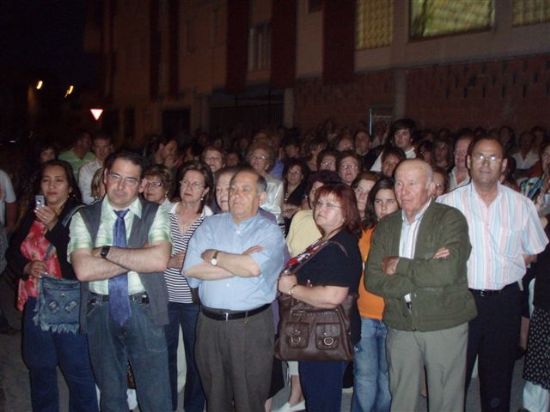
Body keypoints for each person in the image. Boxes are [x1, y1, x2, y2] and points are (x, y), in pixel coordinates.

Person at [438, 137, 549, 412]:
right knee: (452, 378)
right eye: (479, 157)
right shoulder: (447, 204)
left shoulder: (521, 205)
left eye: (493, 158)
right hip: (460, 300)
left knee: (498, 379)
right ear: (468, 161)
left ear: (504, 165)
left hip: (504, 302)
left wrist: (514, 259)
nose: (486, 163)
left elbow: (536, 249)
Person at [366, 159, 476, 412]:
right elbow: (373, 279)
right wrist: (424, 270)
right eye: (399, 183)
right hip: (400, 322)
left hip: (444, 321)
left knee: (445, 400)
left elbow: (447, 272)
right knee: (401, 397)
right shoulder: (386, 225)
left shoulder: (450, 219)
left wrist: (400, 265)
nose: (403, 191)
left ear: (431, 188)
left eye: (412, 184)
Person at [69, 150, 172, 411]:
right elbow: (83, 270)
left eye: (130, 180)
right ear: (105, 177)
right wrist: (138, 255)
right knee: (110, 393)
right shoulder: (84, 216)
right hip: (99, 308)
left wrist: (104, 251)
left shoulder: (155, 213)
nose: (121, 186)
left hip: (144, 308)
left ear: (140, 185)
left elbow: (159, 261)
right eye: (116, 176)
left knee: (156, 393)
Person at [182, 167, 286, 411]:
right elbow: (192, 269)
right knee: (215, 397)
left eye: (245, 190)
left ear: (261, 198)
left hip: (250, 326)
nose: (235, 194)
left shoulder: (269, 231)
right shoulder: (210, 225)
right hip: (209, 324)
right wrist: (237, 261)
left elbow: (252, 267)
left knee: (250, 398)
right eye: (233, 188)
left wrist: (215, 255)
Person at [7, 160, 98, 411]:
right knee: (40, 368)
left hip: (68, 302)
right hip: (36, 301)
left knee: (77, 371)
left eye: (59, 180)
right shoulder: (34, 212)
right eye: (46, 180)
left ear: (70, 186)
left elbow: (77, 264)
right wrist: (26, 267)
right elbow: (13, 252)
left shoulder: (80, 214)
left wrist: (54, 226)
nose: (52, 186)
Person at [278, 183, 362, 412]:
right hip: (318, 331)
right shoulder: (326, 240)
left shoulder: (338, 246)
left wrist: (292, 289)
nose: (321, 209)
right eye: (319, 203)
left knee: (322, 399)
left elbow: (332, 296)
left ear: (346, 212)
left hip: (327, 335)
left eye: (330, 205)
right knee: (317, 395)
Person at [163, 162, 212, 412]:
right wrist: (169, 261)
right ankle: (167, 406)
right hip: (164, 296)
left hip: (194, 300)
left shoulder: (211, 220)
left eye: (195, 184)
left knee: (196, 360)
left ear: (205, 190)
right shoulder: (164, 212)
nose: (188, 187)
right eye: (185, 182)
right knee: (165, 357)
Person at [352, 177, 398, 412]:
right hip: (365, 314)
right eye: (378, 201)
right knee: (365, 375)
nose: (383, 207)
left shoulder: (407, 231)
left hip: (395, 315)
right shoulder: (363, 231)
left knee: (387, 377)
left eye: (389, 201)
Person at [247, 142, 284, 226]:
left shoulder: (276, 184)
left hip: (267, 225)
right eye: (254, 156)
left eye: (261, 157)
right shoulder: (242, 180)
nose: (256, 159)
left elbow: (277, 213)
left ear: (267, 164)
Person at [79, 133, 114, 204]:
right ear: (93, 148)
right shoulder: (86, 169)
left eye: (105, 147)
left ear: (110, 147)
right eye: (98, 147)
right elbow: (85, 197)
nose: (101, 151)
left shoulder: (117, 167)